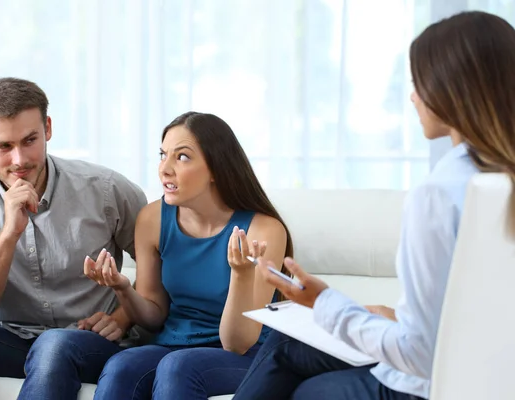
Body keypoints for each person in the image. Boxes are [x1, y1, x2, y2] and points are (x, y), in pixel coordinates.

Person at [232, 10, 515, 400]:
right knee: (286, 347)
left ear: (451, 89)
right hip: (492, 379)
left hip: (432, 383)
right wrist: (384, 316)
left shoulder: (439, 194)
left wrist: (322, 301)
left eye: (419, 83)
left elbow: (418, 353)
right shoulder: (499, 181)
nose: (413, 96)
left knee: (308, 390)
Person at [0, 77, 147, 400]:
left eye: (30, 140)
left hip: (88, 343)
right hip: (11, 339)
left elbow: (168, 261)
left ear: (48, 129)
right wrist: (9, 232)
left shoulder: (106, 189)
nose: (19, 160)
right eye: (3, 147)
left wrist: (123, 317)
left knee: (53, 345)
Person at [83, 111, 293, 399]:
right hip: (174, 345)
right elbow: (153, 317)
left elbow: (239, 343)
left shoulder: (264, 230)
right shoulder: (153, 219)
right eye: (162, 155)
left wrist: (241, 274)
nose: (165, 169)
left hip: (249, 354)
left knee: (179, 366)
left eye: (181, 157)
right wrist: (122, 288)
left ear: (216, 169)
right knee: (122, 365)